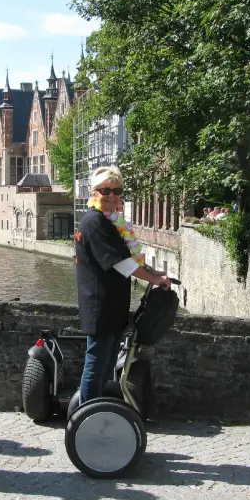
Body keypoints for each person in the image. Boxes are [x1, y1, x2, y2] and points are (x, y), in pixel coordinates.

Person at [74, 165, 171, 405]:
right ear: (94, 192)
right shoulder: (95, 223)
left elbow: (128, 258)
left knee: (106, 365)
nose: (111, 195)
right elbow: (121, 264)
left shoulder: (110, 221)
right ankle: (84, 417)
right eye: (105, 190)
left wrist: (153, 271)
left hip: (112, 306)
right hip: (100, 306)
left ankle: (97, 410)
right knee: (95, 365)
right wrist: (155, 280)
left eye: (116, 191)